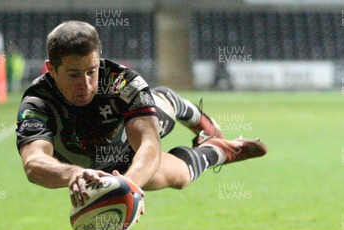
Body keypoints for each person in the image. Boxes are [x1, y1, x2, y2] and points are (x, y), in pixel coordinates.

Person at [16, 21, 266, 210]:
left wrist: (128, 186)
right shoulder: (37, 102)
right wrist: (74, 174)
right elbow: (34, 163)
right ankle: (217, 151)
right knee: (180, 178)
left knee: (160, 113)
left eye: (91, 71)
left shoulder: (122, 82)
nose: (85, 83)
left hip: (128, 137)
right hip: (94, 165)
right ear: (51, 69)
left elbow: (149, 143)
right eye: (73, 75)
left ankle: (174, 101)